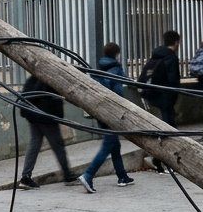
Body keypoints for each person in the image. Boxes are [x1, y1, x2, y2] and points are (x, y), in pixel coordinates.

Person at [77, 42, 135, 193]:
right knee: (108, 144)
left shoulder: (98, 68)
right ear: (117, 54)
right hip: (111, 112)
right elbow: (117, 91)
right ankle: (88, 175)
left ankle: (122, 176)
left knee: (114, 145)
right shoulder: (116, 68)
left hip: (99, 110)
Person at [17, 73, 74, 189]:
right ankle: (68, 175)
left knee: (34, 145)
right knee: (58, 146)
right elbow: (51, 97)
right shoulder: (47, 79)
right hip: (45, 118)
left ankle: (25, 177)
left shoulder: (33, 78)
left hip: (33, 116)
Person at [144, 30, 182, 126]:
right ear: (176, 42)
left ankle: (169, 136)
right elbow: (173, 78)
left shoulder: (157, 54)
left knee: (167, 117)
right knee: (169, 120)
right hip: (166, 92)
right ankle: (169, 138)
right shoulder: (171, 57)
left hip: (154, 90)